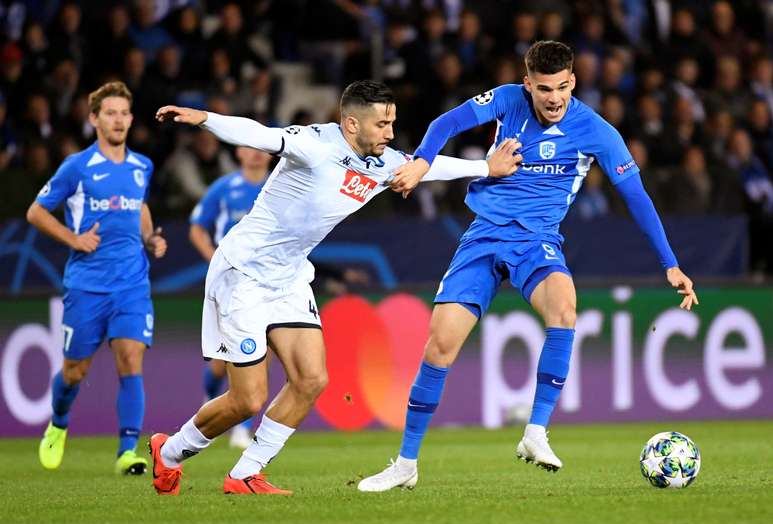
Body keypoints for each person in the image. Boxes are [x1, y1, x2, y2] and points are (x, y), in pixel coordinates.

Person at [149, 80, 522, 496]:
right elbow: (262, 135)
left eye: (392, 123)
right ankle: (170, 452)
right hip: (243, 274)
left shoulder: (380, 161)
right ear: (350, 123)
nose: (390, 133)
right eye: (382, 124)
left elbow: (424, 166)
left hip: (289, 276)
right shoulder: (316, 144)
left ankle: (244, 475)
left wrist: (486, 168)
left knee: (311, 380)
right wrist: (206, 119)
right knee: (248, 400)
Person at [357, 41, 699, 493]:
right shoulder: (506, 100)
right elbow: (447, 122)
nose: (553, 97)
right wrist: (421, 163)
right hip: (483, 235)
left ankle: (535, 432)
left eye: (561, 87)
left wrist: (670, 264)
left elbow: (636, 197)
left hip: (536, 241)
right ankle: (405, 464)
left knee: (564, 310)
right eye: (543, 89)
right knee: (439, 346)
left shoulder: (597, 131)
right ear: (527, 85)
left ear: (573, 81)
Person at [27, 81, 166, 475]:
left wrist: (149, 237)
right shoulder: (77, 167)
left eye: (124, 113)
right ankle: (57, 423)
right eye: (110, 113)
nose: (118, 120)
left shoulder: (142, 166)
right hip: (87, 285)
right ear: (94, 119)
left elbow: (139, 206)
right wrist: (73, 238)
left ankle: (127, 452)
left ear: (131, 119)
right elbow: (36, 212)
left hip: (132, 283)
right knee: (75, 372)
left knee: (130, 360)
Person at [189, 146, 272, 449]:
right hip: (230, 282)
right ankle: (211, 400)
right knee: (222, 361)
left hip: (268, 281)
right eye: (250, 149)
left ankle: (243, 428)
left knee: (262, 351)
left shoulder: (280, 183)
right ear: (239, 152)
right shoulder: (224, 188)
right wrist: (215, 259)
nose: (256, 155)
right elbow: (197, 228)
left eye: (262, 149)